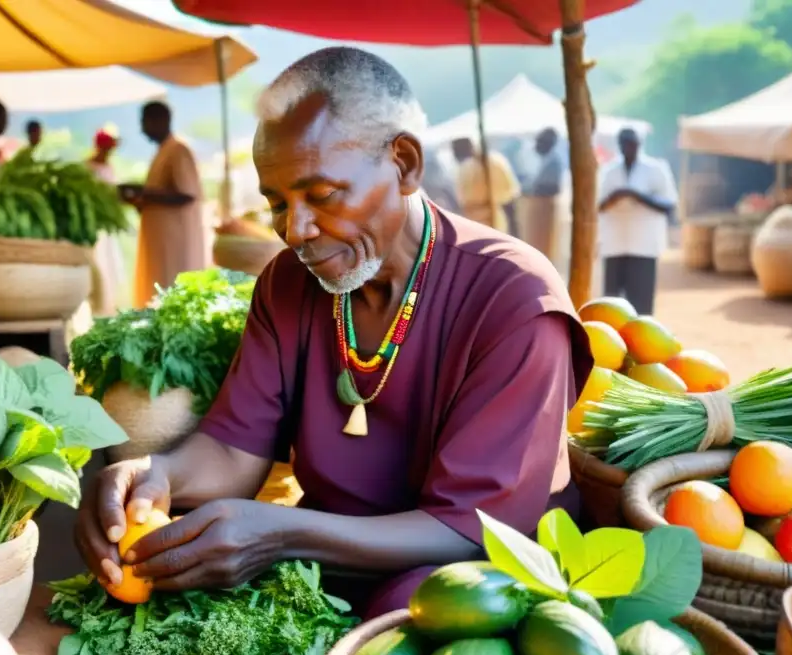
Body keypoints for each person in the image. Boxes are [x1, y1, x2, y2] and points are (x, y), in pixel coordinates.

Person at [74, 47, 592, 620]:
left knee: (415, 609)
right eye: (277, 203)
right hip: (324, 567)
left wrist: (284, 534)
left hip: (472, 589)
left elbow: (471, 531)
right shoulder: (289, 284)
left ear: (404, 164)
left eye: (321, 195)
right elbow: (230, 450)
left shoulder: (514, 298)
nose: (296, 230)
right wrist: (156, 475)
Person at [123, 101, 206, 309]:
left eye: (144, 122)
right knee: (156, 297)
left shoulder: (178, 150)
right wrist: (139, 199)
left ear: (160, 120)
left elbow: (187, 194)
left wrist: (143, 192)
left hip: (175, 244)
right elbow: (162, 196)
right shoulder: (163, 151)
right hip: (159, 244)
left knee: (172, 299)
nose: (142, 129)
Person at [597, 128, 677, 315]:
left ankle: (641, 342)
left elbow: (668, 205)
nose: (628, 147)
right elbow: (598, 205)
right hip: (615, 245)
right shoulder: (609, 171)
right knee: (612, 304)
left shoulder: (656, 169)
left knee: (641, 305)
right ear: (619, 145)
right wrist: (614, 198)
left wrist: (636, 195)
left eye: (631, 143)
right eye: (624, 143)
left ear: (639, 143)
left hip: (644, 246)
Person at [86, 129, 125, 315]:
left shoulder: (109, 167)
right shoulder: (88, 167)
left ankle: (108, 304)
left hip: (107, 225)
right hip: (94, 222)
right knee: (96, 260)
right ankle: (97, 304)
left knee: (108, 260)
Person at [452, 136, 520, 233]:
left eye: (456, 149)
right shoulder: (495, 161)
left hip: (489, 220)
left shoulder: (470, 167)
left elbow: (509, 197)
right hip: (490, 221)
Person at [529, 128, 563, 198]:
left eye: (539, 142)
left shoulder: (552, 163)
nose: (536, 146)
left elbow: (544, 188)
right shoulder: (546, 160)